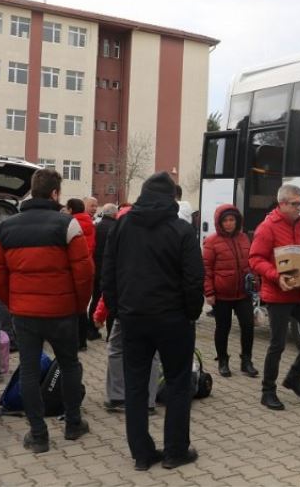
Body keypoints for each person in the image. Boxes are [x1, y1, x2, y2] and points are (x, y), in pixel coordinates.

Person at [102, 172, 204, 471]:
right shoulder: (181, 230)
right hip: (173, 319)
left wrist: (118, 309)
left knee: (135, 386)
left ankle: (142, 454)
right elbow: (194, 278)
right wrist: (191, 312)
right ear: (172, 197)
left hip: (133, 317)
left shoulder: (122, 225)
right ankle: (175, 451)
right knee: (178, 383)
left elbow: (107, 272)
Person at [0, 168, 94, 453]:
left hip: (25, 314)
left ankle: (38, 436)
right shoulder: (68, 225)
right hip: (62, 312)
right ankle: (73, 424)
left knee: (27, 369)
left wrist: (13, 303)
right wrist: (78, 306)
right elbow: (84, 273)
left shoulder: (4, 229)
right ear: (54, 193)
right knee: (70, 365)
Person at [248, 184, 300, 411]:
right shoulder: (267, 228)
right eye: (294, 204)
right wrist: (275, 275)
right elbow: (255, 259)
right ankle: (267, 391)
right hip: (278, 294)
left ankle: (294, 376)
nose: (299, 208)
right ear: (281, 204)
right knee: (278, 344)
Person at [94, 205, 162, 414]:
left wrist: (107, 310)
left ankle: (117, 397)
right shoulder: (161, 236)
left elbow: (110, 280)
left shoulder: (119, 242)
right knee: (151, 354)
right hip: (155, 307)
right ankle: (148, 401)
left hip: (127, 308)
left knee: (117, 349)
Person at [203, 204, 258, 378]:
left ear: (237, 221)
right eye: (225, 220)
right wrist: (209, 292)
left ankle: (246, 361)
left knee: (248, 326)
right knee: (223, 328)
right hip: (222, 295)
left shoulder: (244, 238)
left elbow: (251, 262)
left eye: (232, 219)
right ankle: (223, 360)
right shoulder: (211, 241)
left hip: (243, 293)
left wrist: (256, 282)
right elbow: (206, 269)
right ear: (220, 222)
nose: (229, 223)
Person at [68, 198, 96, 350]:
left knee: (72, 307)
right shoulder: (90, 223)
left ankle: (73, 341)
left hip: (72, 269)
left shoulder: (70, 224)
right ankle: (82, 342)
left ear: (71, 209)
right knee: (82, 306)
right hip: (87, 267)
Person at [88, 203, 118, 340]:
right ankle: (110, 333)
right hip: (109, 269)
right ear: (114, 214)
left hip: (96, 267)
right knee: (108, 300)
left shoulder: (97, 226)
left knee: (95, 298)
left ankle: (92, 329)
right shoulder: (116, 228)